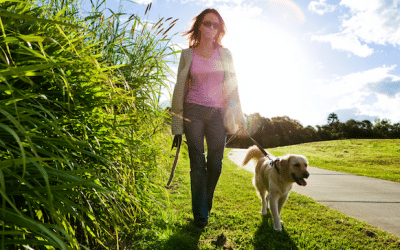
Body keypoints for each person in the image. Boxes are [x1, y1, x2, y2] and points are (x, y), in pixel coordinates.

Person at [170, 8, 244, 228]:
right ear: (199, 26)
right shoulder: (187, 54)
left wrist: (238, 114)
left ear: (220, 29)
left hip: (217, 114)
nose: (211, 28)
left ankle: (205, 202)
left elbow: (233, 86)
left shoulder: (226, 54)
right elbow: (179, 89)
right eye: (207, 23)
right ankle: (200, 215)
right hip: (192, 110)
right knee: (197, 163)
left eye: (216, 25)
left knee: (216, 164)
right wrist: (176, 126)